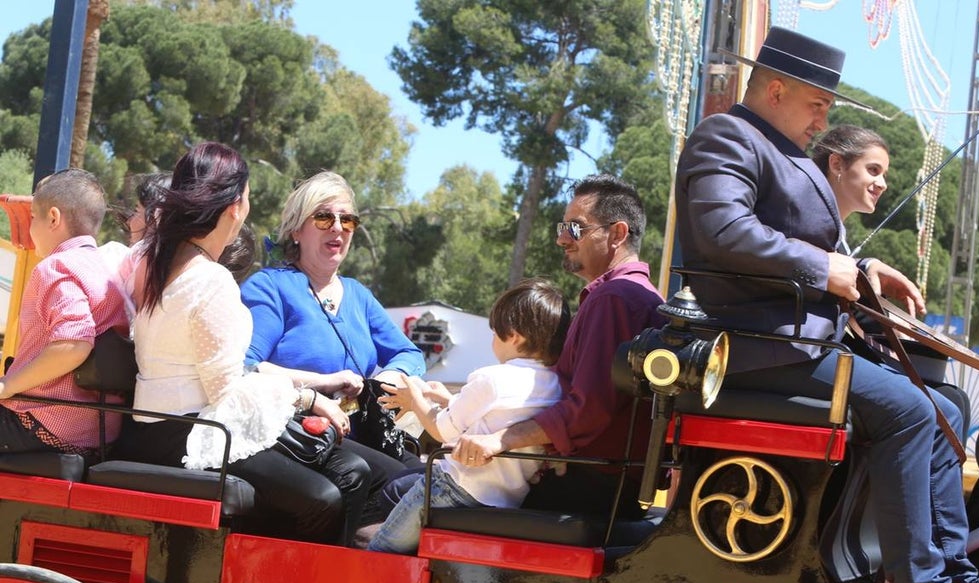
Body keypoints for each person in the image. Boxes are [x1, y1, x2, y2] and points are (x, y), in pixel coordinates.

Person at [674, 26, 979, 583]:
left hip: (806, 341)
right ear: (775, 90)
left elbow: (803, 243)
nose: (822, 121)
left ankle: (954, 577)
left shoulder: (784, 153)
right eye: (817, 105)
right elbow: (724, 231)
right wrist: (823, 268)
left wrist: (861, 268)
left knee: (945, 408)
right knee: (910, 410)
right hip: (756, 345)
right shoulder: (727, 136)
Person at [113, 142, 372, 544]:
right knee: (325, 497)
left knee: (347, 471)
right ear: (236, 207)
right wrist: (306, 399)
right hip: (186, 432)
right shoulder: (209, 278)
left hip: (151, 428)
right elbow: (224, 388)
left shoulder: (156, 261)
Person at [450, 174, 665, 521]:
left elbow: (588, 409)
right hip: (606, 485)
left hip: (588, 488)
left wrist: (501, 439)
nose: (562, 238)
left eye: (576, 228)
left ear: (617, 234)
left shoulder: (614, 299)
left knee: (410, 490)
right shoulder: (641, 297)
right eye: (563, 227)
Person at [241, 171, 425, 479]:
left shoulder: (359, 295)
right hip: (299, 438)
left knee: (430, 481)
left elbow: (411, 355)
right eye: (324, 217)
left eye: (347, 219)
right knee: (405, 483)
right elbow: (247, 367)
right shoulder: (269, 287)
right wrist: (324, 382)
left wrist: (382, 382)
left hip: (360, 435)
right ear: (296, 230)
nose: (338, 227)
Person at [367, 277, 570, 554]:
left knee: (381, 550)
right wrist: (449, 400)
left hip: (451, 490)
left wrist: (415, 399)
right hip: (505, 500)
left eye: (495, 332)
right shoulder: (556, 386)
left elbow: (441, 430)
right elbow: (501, 416)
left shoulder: (492, 378)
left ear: (514, 336)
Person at [0, 168, 129, 455]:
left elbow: (73, 344)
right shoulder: (107, 270)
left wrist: (7, 385)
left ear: (53, 218)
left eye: (33, 217)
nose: (30, 229)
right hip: (98, 431)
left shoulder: (57, 266)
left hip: (43, 422)